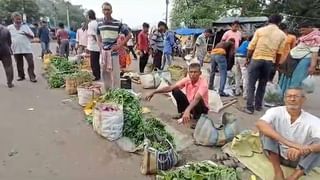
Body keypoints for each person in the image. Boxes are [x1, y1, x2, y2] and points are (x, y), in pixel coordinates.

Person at [256, 88, 320, 180]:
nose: (292, 99)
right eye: (289, 96)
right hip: (275, 154)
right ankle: (278, 172)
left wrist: (305, 149)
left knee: (317, 144)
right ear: (284, 99)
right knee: (267, 132)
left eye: (296, 96)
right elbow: (260, 123)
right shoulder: (275, 111)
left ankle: (294, 176)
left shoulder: (313, 120)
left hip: (299, 159)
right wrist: (289, 143)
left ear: (303, 99)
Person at [243, 14, 286, 114]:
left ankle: (249, 107)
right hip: (269, 61)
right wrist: (275, 64)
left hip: (257, 58)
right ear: (279, 22)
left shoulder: (260, 31)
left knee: (251, 84)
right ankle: (258, 106)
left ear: (269, 21)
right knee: (262, 84)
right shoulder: (282, 35)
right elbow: (279, 52)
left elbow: (251, 47)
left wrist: (248, 59)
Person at [146, 63, 209, 128]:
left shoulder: (203, 84)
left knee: (198, 98)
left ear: (200, 73)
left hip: (201, 107)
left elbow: (196, 99)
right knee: (175, 90)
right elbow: (170, 88)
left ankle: (198, 119)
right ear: (188, 72)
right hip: (191, 104)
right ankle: (183, 113)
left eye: (195, 72)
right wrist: (154, 92)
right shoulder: (187, 79)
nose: (193, 74)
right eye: (191, 72)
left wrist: (187, 110)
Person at [279, 22, 320, 95]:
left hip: (305, 59)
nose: (301, 32)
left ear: (310, 27)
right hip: (293, 58)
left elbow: (315, 52)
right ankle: (283, 96)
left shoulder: (316, 37)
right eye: (300, 31)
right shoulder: (306, 36)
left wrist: (312, 66)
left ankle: (292, 96)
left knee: (297, 80)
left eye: (303, 30)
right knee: (287, 77)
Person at [97, 2, 131, 90]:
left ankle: (116, 92)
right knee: (105, 74)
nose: (106, 11)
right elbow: (97, 34)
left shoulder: (117, 23)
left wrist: (119, 46)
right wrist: (100, 44)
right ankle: (108, 92)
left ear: (111, 11)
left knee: (115, 74)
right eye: (104, 9)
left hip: (114, 52)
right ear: (102, 11)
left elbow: (129, 35)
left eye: (108, 9)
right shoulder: (99, 23)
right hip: (104, 52)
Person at [7, 12, 37, 82]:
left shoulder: (25, 27)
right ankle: (21, 76)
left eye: (20, 19)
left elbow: (32, 36)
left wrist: (26, 34)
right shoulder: (9, 28)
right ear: (13, 19)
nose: (19, 21)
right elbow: (7, 38)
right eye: (17, 19)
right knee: (19, 64)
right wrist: (9, 48)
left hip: (27, 48)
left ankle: (32, 77)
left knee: (30, 63)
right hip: (15, 49)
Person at [86, 10, 101, 81]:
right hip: (97, 46)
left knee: (93, 62)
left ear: (89, 16)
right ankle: (98, 75)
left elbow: (94, 35)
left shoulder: (91, 24)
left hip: (94, 46)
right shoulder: (97, 23)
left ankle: (96, 76)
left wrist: (98, 42)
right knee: (96, 62)